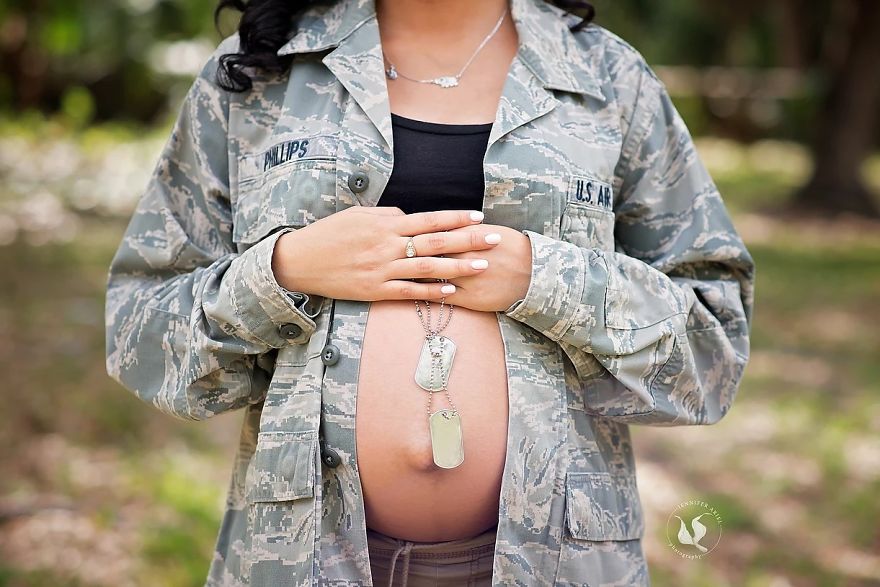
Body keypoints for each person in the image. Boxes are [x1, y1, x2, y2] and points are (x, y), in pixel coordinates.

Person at [103, 0, 756, 584]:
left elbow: (714, 346)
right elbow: (140, 331)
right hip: (299, 561)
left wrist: (544, 278)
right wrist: (285, 271)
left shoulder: (611, 80)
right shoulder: (258, 75)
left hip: (563, 562)